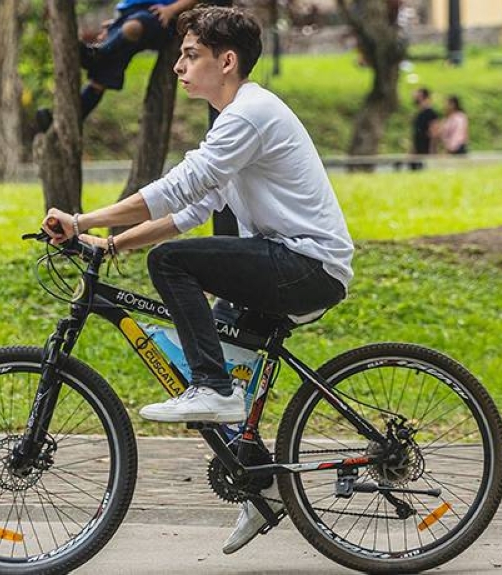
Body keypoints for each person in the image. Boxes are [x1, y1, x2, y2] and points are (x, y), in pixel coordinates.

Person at [41, 6, 353, 554]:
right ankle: (264, 488)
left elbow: (179, 187)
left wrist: (82, 219)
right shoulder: (235, 119)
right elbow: (192, 210)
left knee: (172, 263)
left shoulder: (247, 115)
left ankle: (212, 390)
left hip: (307, 265)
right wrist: (110, 244)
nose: (178, 67)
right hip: (289, 261)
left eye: (190, 56)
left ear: (226, 61)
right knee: (217, 342)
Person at [37, 0, 231, 131]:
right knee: (102, 77)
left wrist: (171, 10)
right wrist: (116, 25)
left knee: (132, 29)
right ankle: (63, 120)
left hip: (159, 15)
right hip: (129, 16)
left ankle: (99, 53)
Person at [410, 87, 438, 170]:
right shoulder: (419, 114)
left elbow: (434, 132)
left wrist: (432, 150)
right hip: (417, 150)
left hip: (425, 149)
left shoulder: (431, 113)